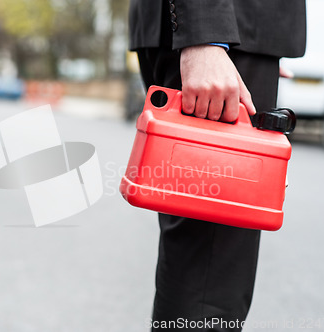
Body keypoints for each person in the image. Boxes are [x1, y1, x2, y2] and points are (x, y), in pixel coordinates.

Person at [128, 1, 306, 331]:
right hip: (220, 29)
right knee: (208, 288)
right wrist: (206, 40)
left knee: (202, 269)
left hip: (233, 32)